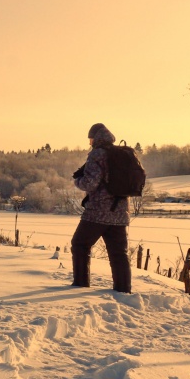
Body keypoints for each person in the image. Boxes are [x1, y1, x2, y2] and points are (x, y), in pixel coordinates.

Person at [71, 123, 132, 293]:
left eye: (90, 139)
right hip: (120, 212)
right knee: (119, 253)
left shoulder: (97, 154)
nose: (89, 143)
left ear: (95, 138)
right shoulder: (121, 153)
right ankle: (123, 290)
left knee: (80, 244)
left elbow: (90, 183)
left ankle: (80, 286)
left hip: (98, 211)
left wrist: (77, 180)